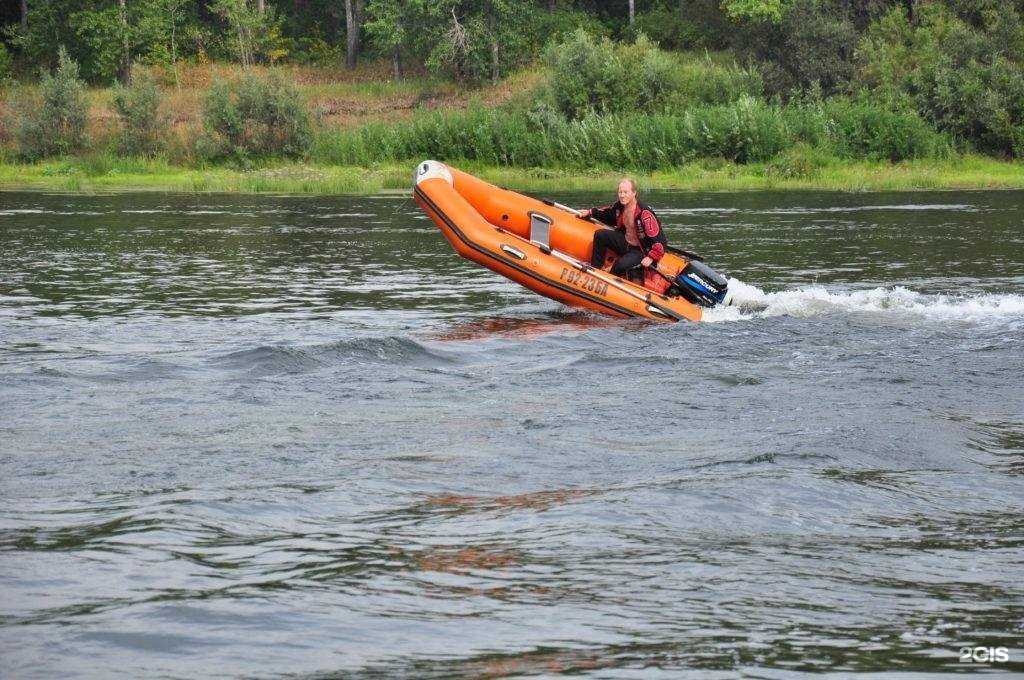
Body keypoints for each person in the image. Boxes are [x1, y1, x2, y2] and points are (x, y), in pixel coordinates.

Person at [581, 179, 667, 278]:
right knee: (600, 235)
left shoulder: (645, 213)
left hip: (640, 250)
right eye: (620, 192)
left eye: (625, 192)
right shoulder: (619, 206)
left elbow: (660, 239)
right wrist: (591, 212)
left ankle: (610, 278)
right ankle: (595, 268)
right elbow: (607, 213)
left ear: (634, 193)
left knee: (619, 266)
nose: (622, 195)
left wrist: (651, 257)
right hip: (625, 242)